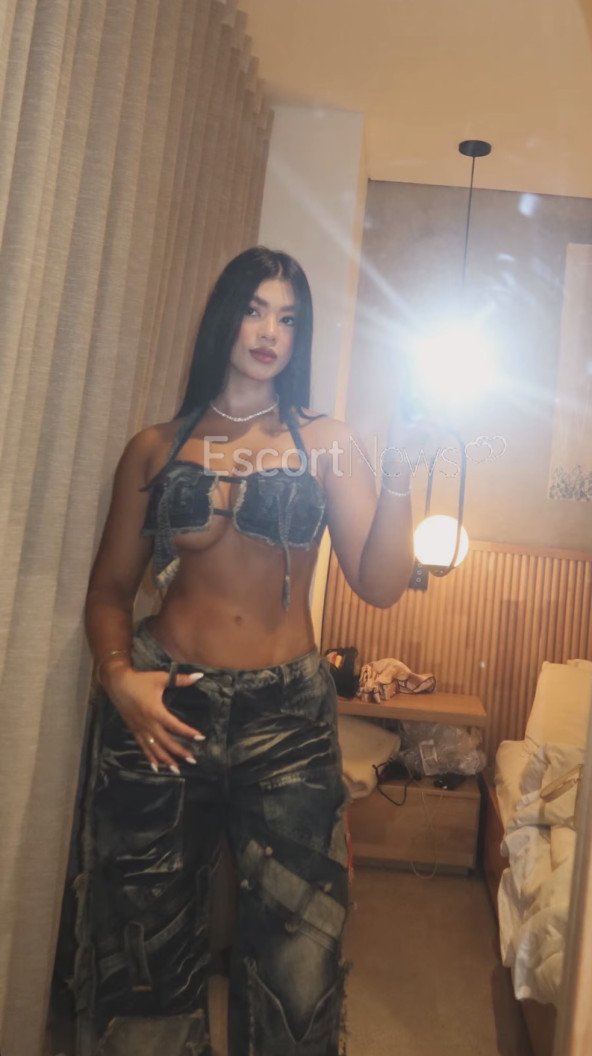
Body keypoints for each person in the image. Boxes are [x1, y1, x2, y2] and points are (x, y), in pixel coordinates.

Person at [75, 246, 428, 1056]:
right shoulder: (155, 447)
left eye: (289, 318)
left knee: (299, 958)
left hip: (288, 721)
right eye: (255, 310)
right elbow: (109, 592)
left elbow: (380, 583)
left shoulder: (328, 443)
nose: (270, 332)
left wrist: (403, 468)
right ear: (225, 318)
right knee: (142, 937)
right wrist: (120, 678)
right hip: (164, 708)